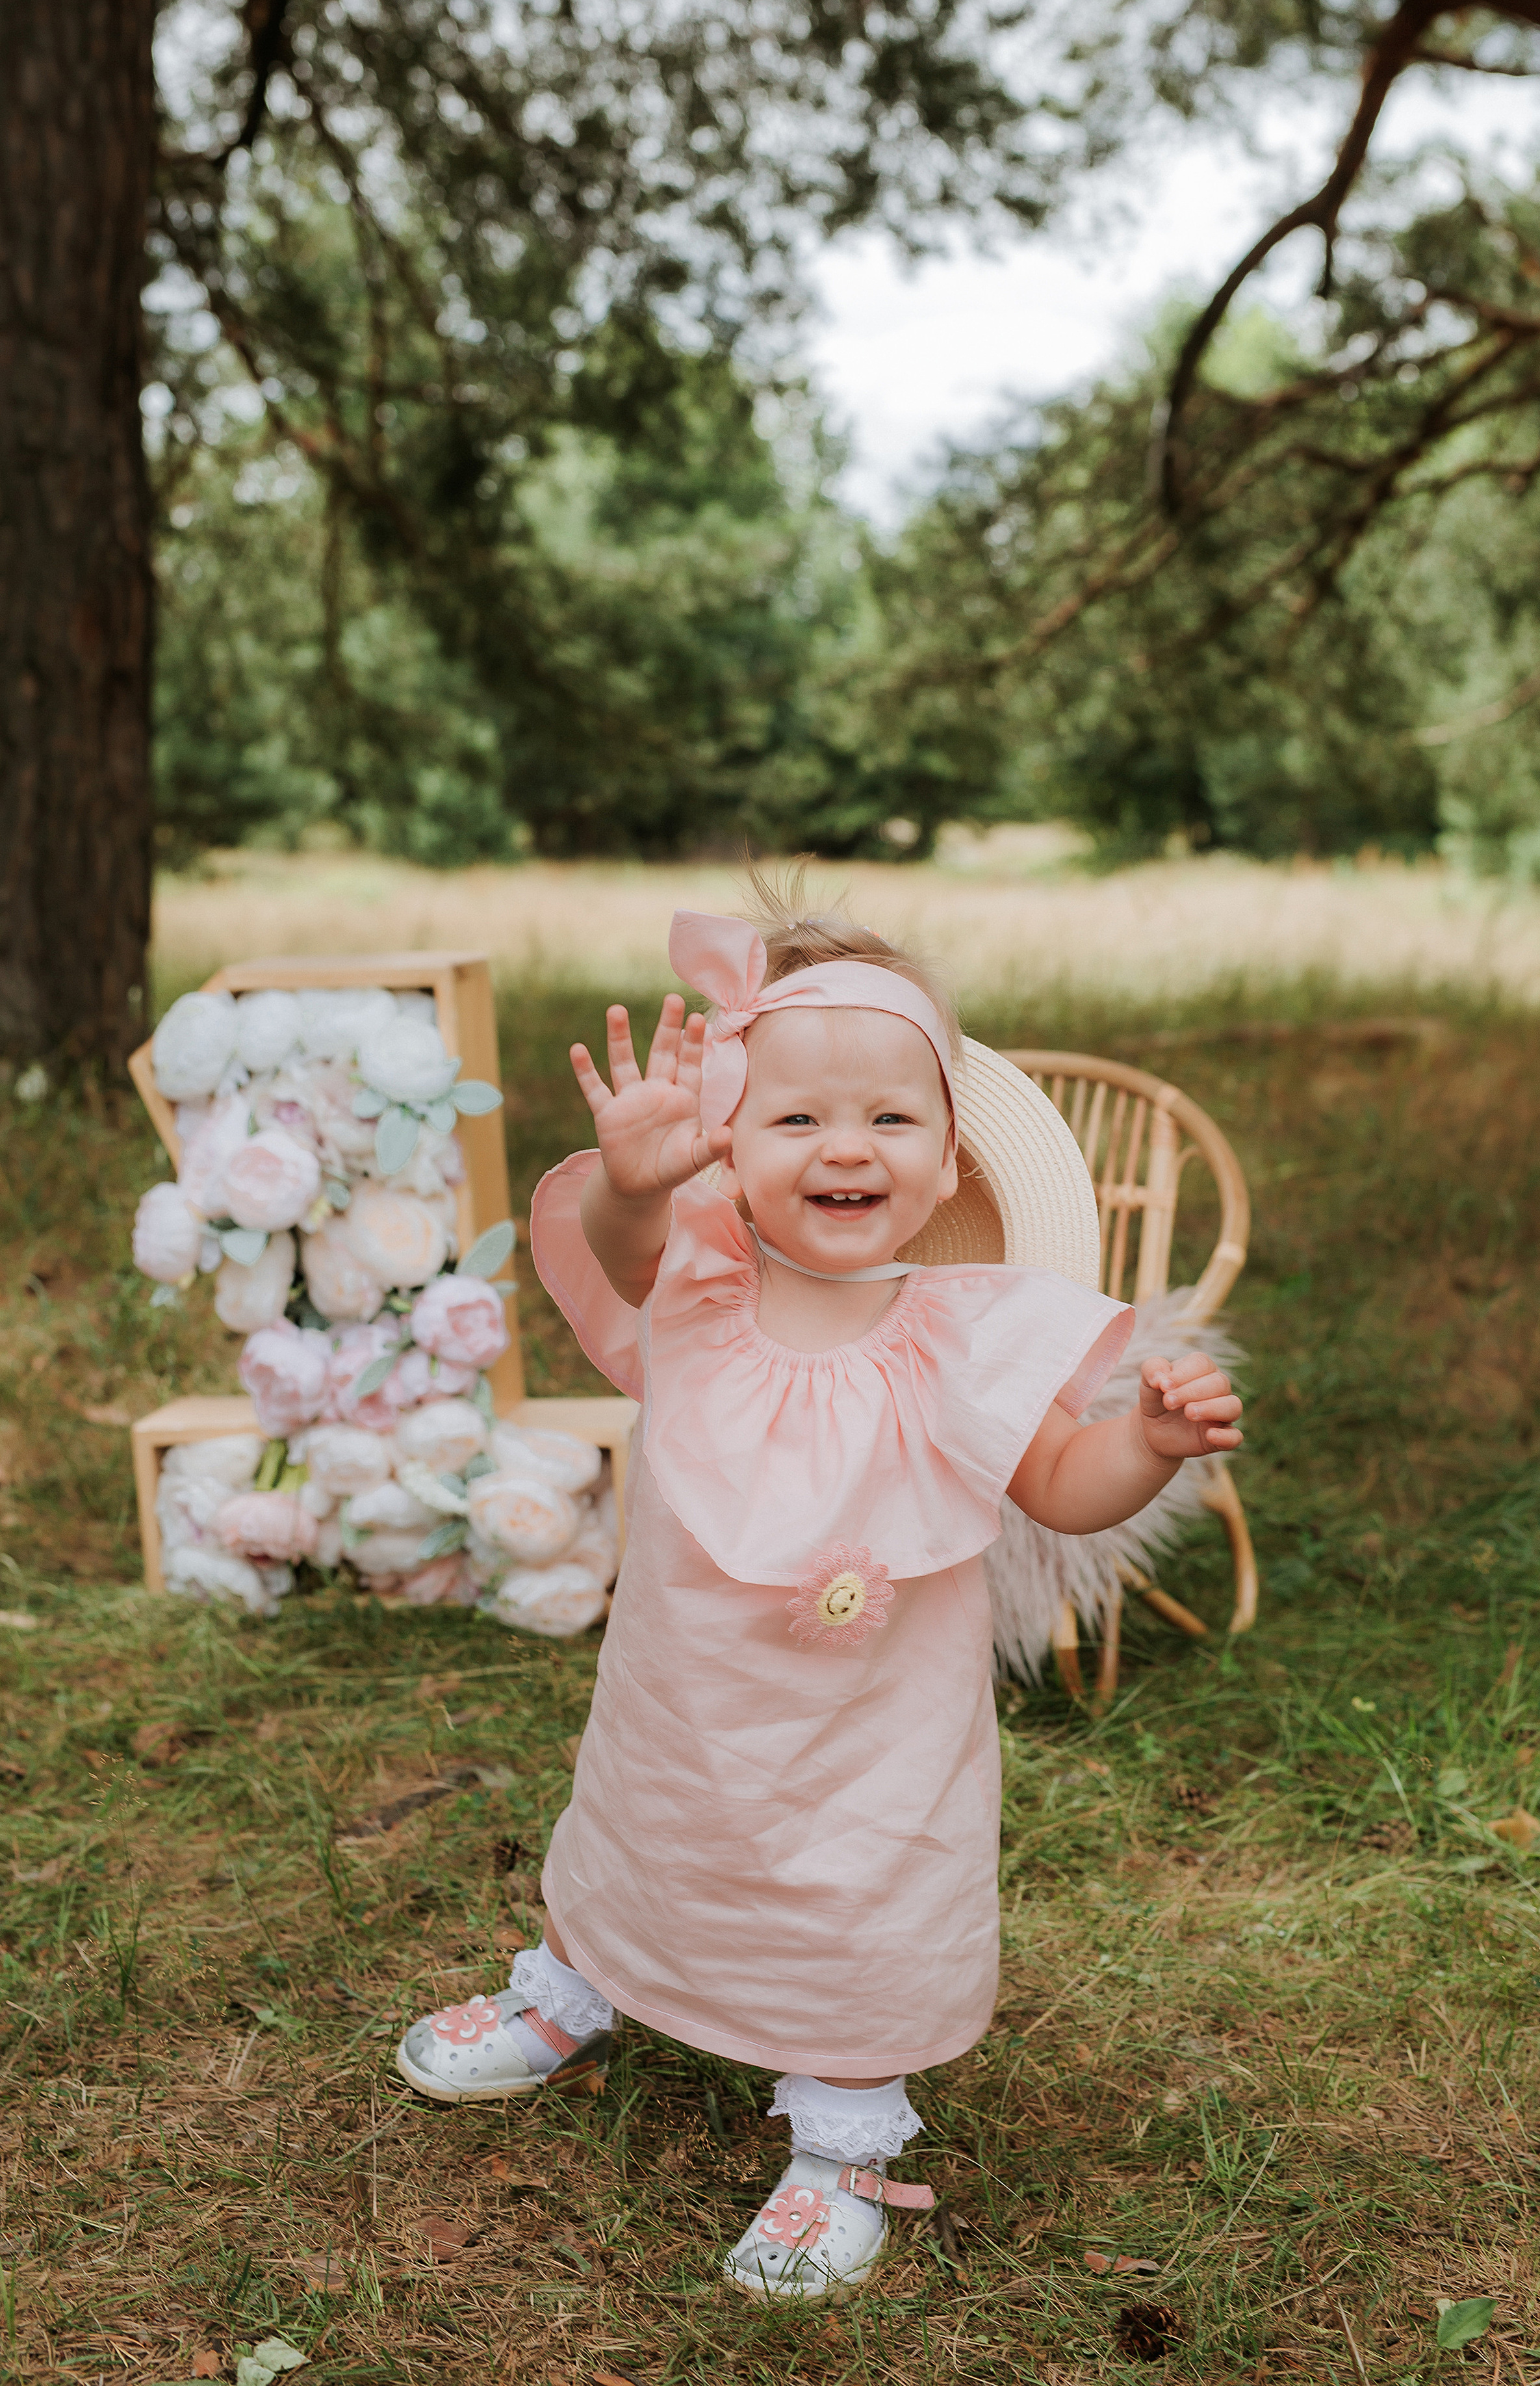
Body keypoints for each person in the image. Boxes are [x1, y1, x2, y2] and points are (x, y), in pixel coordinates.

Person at [394, 887, 1242, 2300]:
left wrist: (1144, 1446)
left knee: (865, 1902)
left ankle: (840, 2137)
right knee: (635, 1825)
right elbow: (618, 1254)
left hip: (872, 1749)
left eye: (888, 1121)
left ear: (946, 1153)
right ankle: (571, 1989)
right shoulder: (698, 1279)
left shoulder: (965, 1336)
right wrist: (634, 1179)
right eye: (795, 1121)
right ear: (731, 1142)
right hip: (684, 1705)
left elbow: (1059, 1484)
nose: (844, 1147)